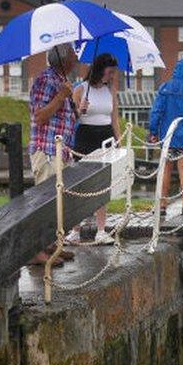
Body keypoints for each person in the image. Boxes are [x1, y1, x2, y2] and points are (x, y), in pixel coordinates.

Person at [28, 42, 80, 266]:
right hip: (47, 150)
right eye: (74, 54)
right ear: (65, 58)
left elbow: (64, 119)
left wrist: (78, 109)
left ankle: (51, 246)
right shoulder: (45, 80)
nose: (77, 58)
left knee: (58, 202)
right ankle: (35, 250)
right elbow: (39, 117)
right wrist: (61, 97)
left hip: (61, 152)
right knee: (45, 202)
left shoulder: (61, 81)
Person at [68, 53, 121, 246]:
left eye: (113, 72)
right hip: (85, 136)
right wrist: (80, 109)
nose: (112, 75)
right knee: (80, 183)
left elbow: (114, 118)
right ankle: (75, 230)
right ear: (99, 69)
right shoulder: (81, 89)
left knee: (101, 184)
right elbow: (71, 117)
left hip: (105, 137)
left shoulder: (111, 91)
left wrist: (119, 140)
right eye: (109, 71)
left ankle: (101, 230)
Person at [148, 59, 183, 216]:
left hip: (167, 135)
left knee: (165, 170)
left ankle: (162, 205)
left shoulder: (164, 87)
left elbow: (156, 111)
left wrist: (153, 132)